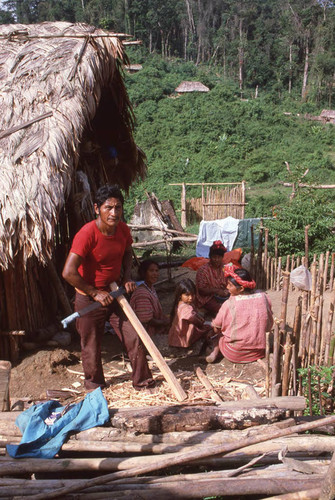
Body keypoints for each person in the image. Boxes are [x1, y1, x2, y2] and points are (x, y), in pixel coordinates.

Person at [62, 184, 154, 391]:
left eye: (118, 208)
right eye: (108, 208)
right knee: (91, 345)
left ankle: (143, 382)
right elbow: (68, 272)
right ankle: (95, 388)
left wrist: (127, 277)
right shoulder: (87, 234)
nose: (114, 213)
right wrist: (94, 292)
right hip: (89, 298)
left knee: (134, 335)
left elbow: (128, 252)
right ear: (97, 209)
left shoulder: (122, 229)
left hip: (115, 294)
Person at [206, 267, 273, 364]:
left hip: (235, 353)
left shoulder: (229, 304)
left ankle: (215, 352)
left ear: (241, 288)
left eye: (230, 285)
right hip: (259, 351)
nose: (227, 287)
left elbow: (217, 327)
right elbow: (269, 323)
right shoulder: (264, 297)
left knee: (218, 336)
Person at [130, 259, 169, 336]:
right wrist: (165, 322)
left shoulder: (150, 287)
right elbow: (147, 320)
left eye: (156, 271)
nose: (155, 274)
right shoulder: (141, 293)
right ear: (143, 273)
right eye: (151, 271)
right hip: (145, 333)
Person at [169, 279, 212, 348]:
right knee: (209, 328)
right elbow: (194, 319)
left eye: (193, 294)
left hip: (177, 336)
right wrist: (201, 322)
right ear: (180, 295)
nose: (191, 298)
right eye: (187, 295)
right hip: (183, 337)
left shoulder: (179, 303)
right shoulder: (186, 308)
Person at [196, 240, 229, 315]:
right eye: (214, 257)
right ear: (210, 257)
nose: (216, 260)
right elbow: (201, 290)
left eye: (219, 257)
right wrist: (216, 291)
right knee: (222, 310)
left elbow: (230, 281)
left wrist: (225, 291)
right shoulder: (203, 270)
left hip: (222, 296)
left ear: (222, 257)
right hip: (207, 298)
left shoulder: (225, 267)